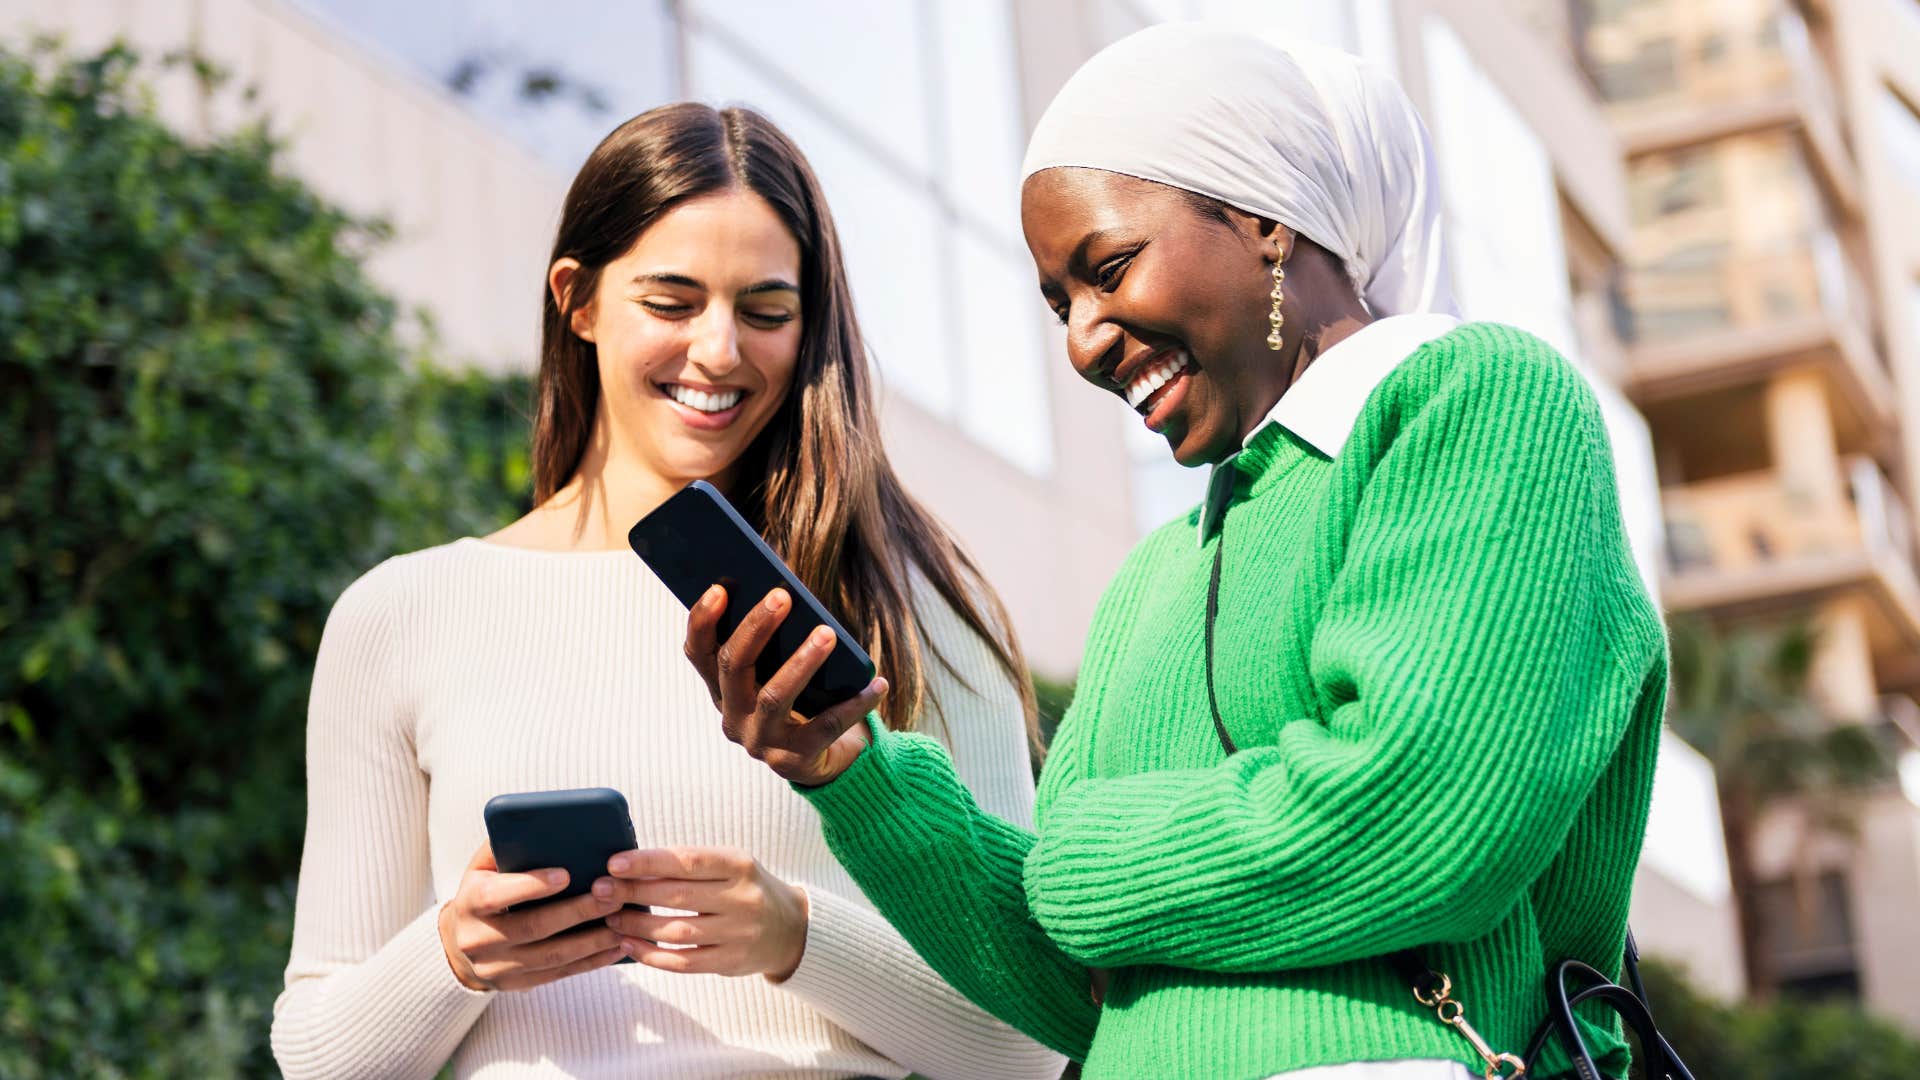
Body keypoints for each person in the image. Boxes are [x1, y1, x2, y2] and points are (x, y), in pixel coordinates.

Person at [687, 25, 1667, 1080]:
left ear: (1260, 216)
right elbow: (1076, 987)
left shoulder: (1479, 400)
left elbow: (1419, 820)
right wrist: (851, 773)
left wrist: (1074, 863)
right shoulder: (1152, 580)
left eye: (1107, 269)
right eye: (1062, 304)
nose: (1083, 339)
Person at [270, 102, 1063, 1080]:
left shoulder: (914, 606)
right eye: (673, 302)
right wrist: (451, 954)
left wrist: (793, 938)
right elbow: (318, 1058)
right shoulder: (402, 615)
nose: (722, 352)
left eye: (767, 311)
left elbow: (1024, 1047)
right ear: (579, 298)